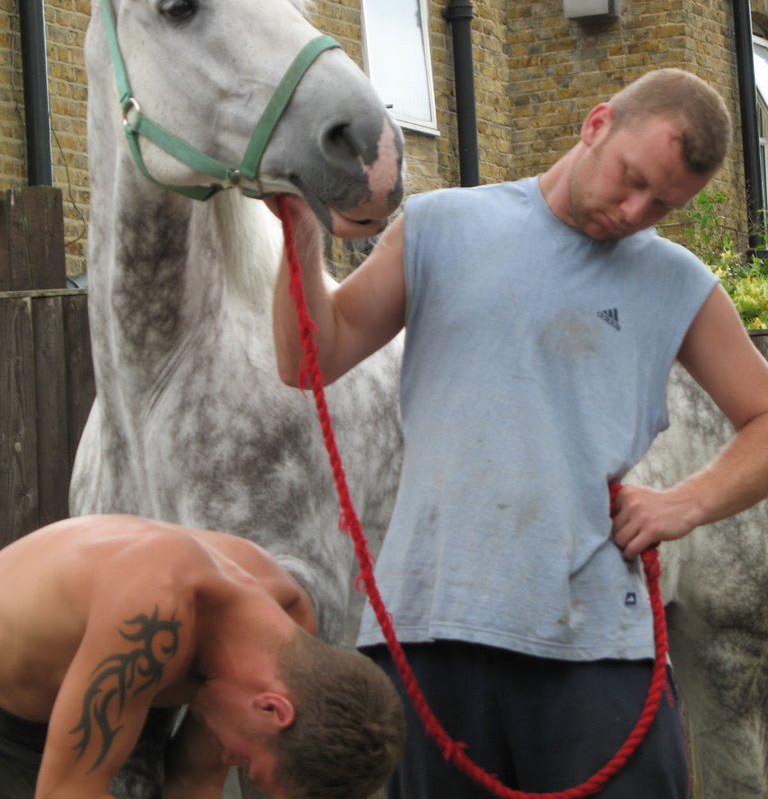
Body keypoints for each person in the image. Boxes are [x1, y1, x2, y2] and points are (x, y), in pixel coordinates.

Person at [271, 68, 768, 798]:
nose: (634, 211)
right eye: (632, 180)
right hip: (430, 631)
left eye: (664, 204)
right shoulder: (442, 227)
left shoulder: (678, 283)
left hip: (598, 645)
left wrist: (684, 504)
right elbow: (310, 358)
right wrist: (300, 227)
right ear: (596, 124)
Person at [0, 514, 405, 799]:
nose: (228, 759)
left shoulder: (286, 626)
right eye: (245, 763)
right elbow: (67, 793)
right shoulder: (153, 612)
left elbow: (194, 784)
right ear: (272, 708)